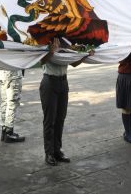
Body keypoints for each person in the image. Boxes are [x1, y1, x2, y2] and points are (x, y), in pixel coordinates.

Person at [40, 38, 93, 166]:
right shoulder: (45, 42)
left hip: (63, 82)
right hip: (49, 82)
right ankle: (49, 153)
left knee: (60, 119)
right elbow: (40, 61)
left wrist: (86, 55)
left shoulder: (65, 43)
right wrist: (51, 51)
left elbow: (73, 63)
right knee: (50, 120)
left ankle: (57, 151)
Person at [0, 68, 25, 143]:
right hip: (13, 71)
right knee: (12, 102)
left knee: (4, 101)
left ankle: (4, 131)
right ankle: (9, 132)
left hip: (1, 71)